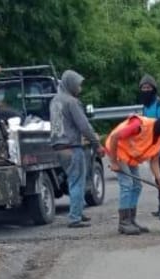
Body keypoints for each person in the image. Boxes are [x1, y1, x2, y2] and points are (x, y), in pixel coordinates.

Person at [105, 109, 160, 235]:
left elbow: (154, 160)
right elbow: (115, 137)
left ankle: (131, 220)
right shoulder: (140, 125)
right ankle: (124, 223)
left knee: (137, 186)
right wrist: (113, 162)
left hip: (131, 157)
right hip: (117, 151)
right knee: (127, 185)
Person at [50, 70, 106, 228]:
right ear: (71, 85)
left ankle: (78, 211)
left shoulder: (54, 101)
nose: (80, 89)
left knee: (73, 180)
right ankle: (75, 217)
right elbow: (84, 126)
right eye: (78, 85)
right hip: (72, 146)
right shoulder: (71, 102)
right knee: (77, 182)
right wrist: (97, 144)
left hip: (58, 147)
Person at [137, 75, 160, 220]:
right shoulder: (145, 106)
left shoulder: (159, 104)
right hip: (151, 144)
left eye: (148, 87)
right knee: (159, 174)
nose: (146, 90)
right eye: (143, 88)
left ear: (153, 88)